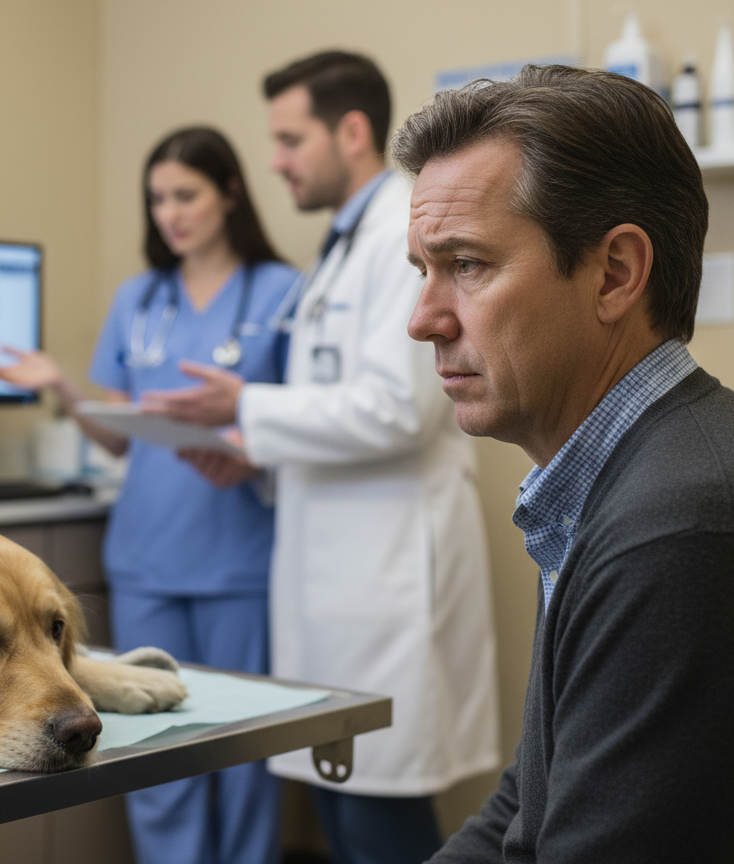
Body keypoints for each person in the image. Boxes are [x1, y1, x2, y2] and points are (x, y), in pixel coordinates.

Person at [394, 64, 734, 861]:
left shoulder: (679, 530)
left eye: (466, 265)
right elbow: (529, 801)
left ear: (615, 274)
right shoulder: (621, 481)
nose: (423, 319)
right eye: (422, 271)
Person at [144, 51, 500, 864]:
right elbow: (338, 408)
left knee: (380, 826)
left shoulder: (403, 233)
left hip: (386, 580)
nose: (275, 162)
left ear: (351, 132)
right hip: (335, 577)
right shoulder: (341, 246)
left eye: (289, 140)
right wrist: (257, 458)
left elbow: (401, 407)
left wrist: (246, 407)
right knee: (346, 811)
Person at [0, 126, 297, 864]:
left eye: (186, 195)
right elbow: (119, 439)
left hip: (240, 562)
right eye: (157, 199)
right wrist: (64, 389)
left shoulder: (284, 291)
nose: (170, 213)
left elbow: (297, 423)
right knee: (153, 750)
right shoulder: (140, 297)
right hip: (148, 557)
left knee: (245, 752)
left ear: (229, 193)